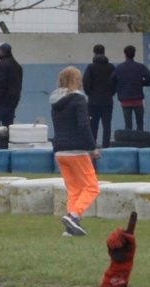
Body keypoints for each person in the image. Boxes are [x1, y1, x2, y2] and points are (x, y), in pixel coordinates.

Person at [51, 66, 101, 237]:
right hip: (76, 150)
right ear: (76, 80)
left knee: (74, 190)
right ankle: (73, 215)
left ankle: (70, 228)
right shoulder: (79, 100)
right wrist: (92, 147)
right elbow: (83, 125)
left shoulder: (55, 101)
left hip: (60, 151)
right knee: (92, 187)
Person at [110, 45, 150, 132]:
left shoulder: (119, 68)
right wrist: (141, 83)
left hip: (125, 100)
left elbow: (111, 81)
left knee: (128, 125)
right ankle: (141, 143)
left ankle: (128, 143)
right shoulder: (140, 67)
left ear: (125, 54)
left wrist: (119, 87)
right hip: (138, 99)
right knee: (140, 124)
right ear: (134, 54)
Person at [82, 44, 115, 148]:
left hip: (93, 101)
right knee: (107, 125)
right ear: (104, 52)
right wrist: (111, 93)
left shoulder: (91, 67)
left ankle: (93, 145)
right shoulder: (111, 67)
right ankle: (106, 145)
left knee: (93, 124)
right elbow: (115, 82)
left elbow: (85, 82)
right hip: (107, 101)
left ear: (94, 52)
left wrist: (89, 93)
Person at [0, 42, 23, 127]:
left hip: (1, 101)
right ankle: (6, 140)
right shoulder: (18, 66)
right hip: (13, 101)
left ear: (1, 52)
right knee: (8, 125)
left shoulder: (2, 66)